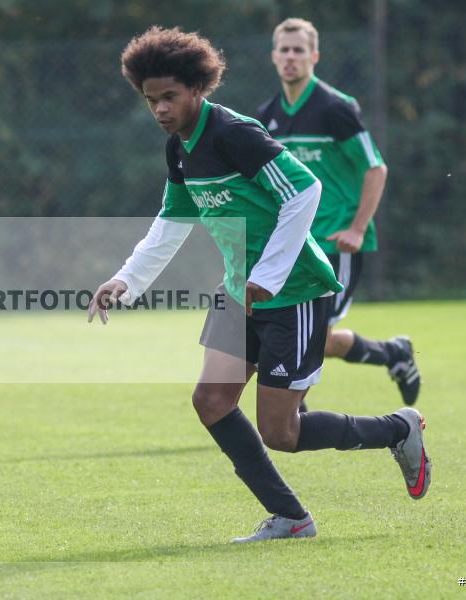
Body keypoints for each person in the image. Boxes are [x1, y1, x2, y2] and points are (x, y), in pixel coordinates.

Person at [88, 26, 431, 542]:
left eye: (169, 97)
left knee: (282, 432)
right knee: (211, 402)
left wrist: (268, 274)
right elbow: (170, 223)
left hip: (291, 291)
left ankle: (397, 429)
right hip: (238, 292)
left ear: (197, 89)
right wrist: (125, 280)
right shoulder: (179, 150)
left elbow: (304, 191)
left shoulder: (233, 133)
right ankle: (291, 518)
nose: (159, 108)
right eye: (150, 100)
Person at [256, 18, 420, 408]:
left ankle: (294, 404)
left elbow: (375, 168)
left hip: (336, 240)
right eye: (284, 49)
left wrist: (358, 229)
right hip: (293, 243)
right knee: (291, 327)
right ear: (274, 56)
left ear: (314, 56)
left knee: (317, 334)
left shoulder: (336, 108)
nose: (291, 57)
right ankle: (391, 354)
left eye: (299, 50)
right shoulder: (266, 115)